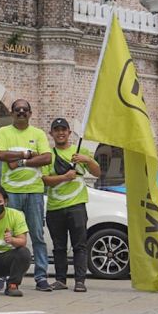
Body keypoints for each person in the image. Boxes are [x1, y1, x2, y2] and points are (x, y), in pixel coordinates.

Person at [0, 99, 53, 292]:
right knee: (8, 236)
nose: (21, 112)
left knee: (37, 234)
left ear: (30, 113)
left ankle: (41, 276)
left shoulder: (38, 133)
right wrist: (29, 154)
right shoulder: (4, 132)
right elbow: (0, 155)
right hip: (11, 192)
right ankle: (3, 276)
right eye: (17, 110)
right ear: (11, 113)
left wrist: (20, 162)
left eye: (25, 110)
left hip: (34, 192)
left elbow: (47, 157)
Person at [42, 118, 101, 293]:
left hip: (77, 206)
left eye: (64, 130)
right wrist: (64, 177)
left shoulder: (79, 151)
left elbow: (97, 172)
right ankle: (60, 279)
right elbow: (45, 180)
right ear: (51, 133)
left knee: (79, 245)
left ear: (69, 132)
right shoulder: (49, 155)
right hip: (55, 207)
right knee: (58, 246)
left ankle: (80, 281)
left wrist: (87, 160)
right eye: (56, 130)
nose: (60, 133)